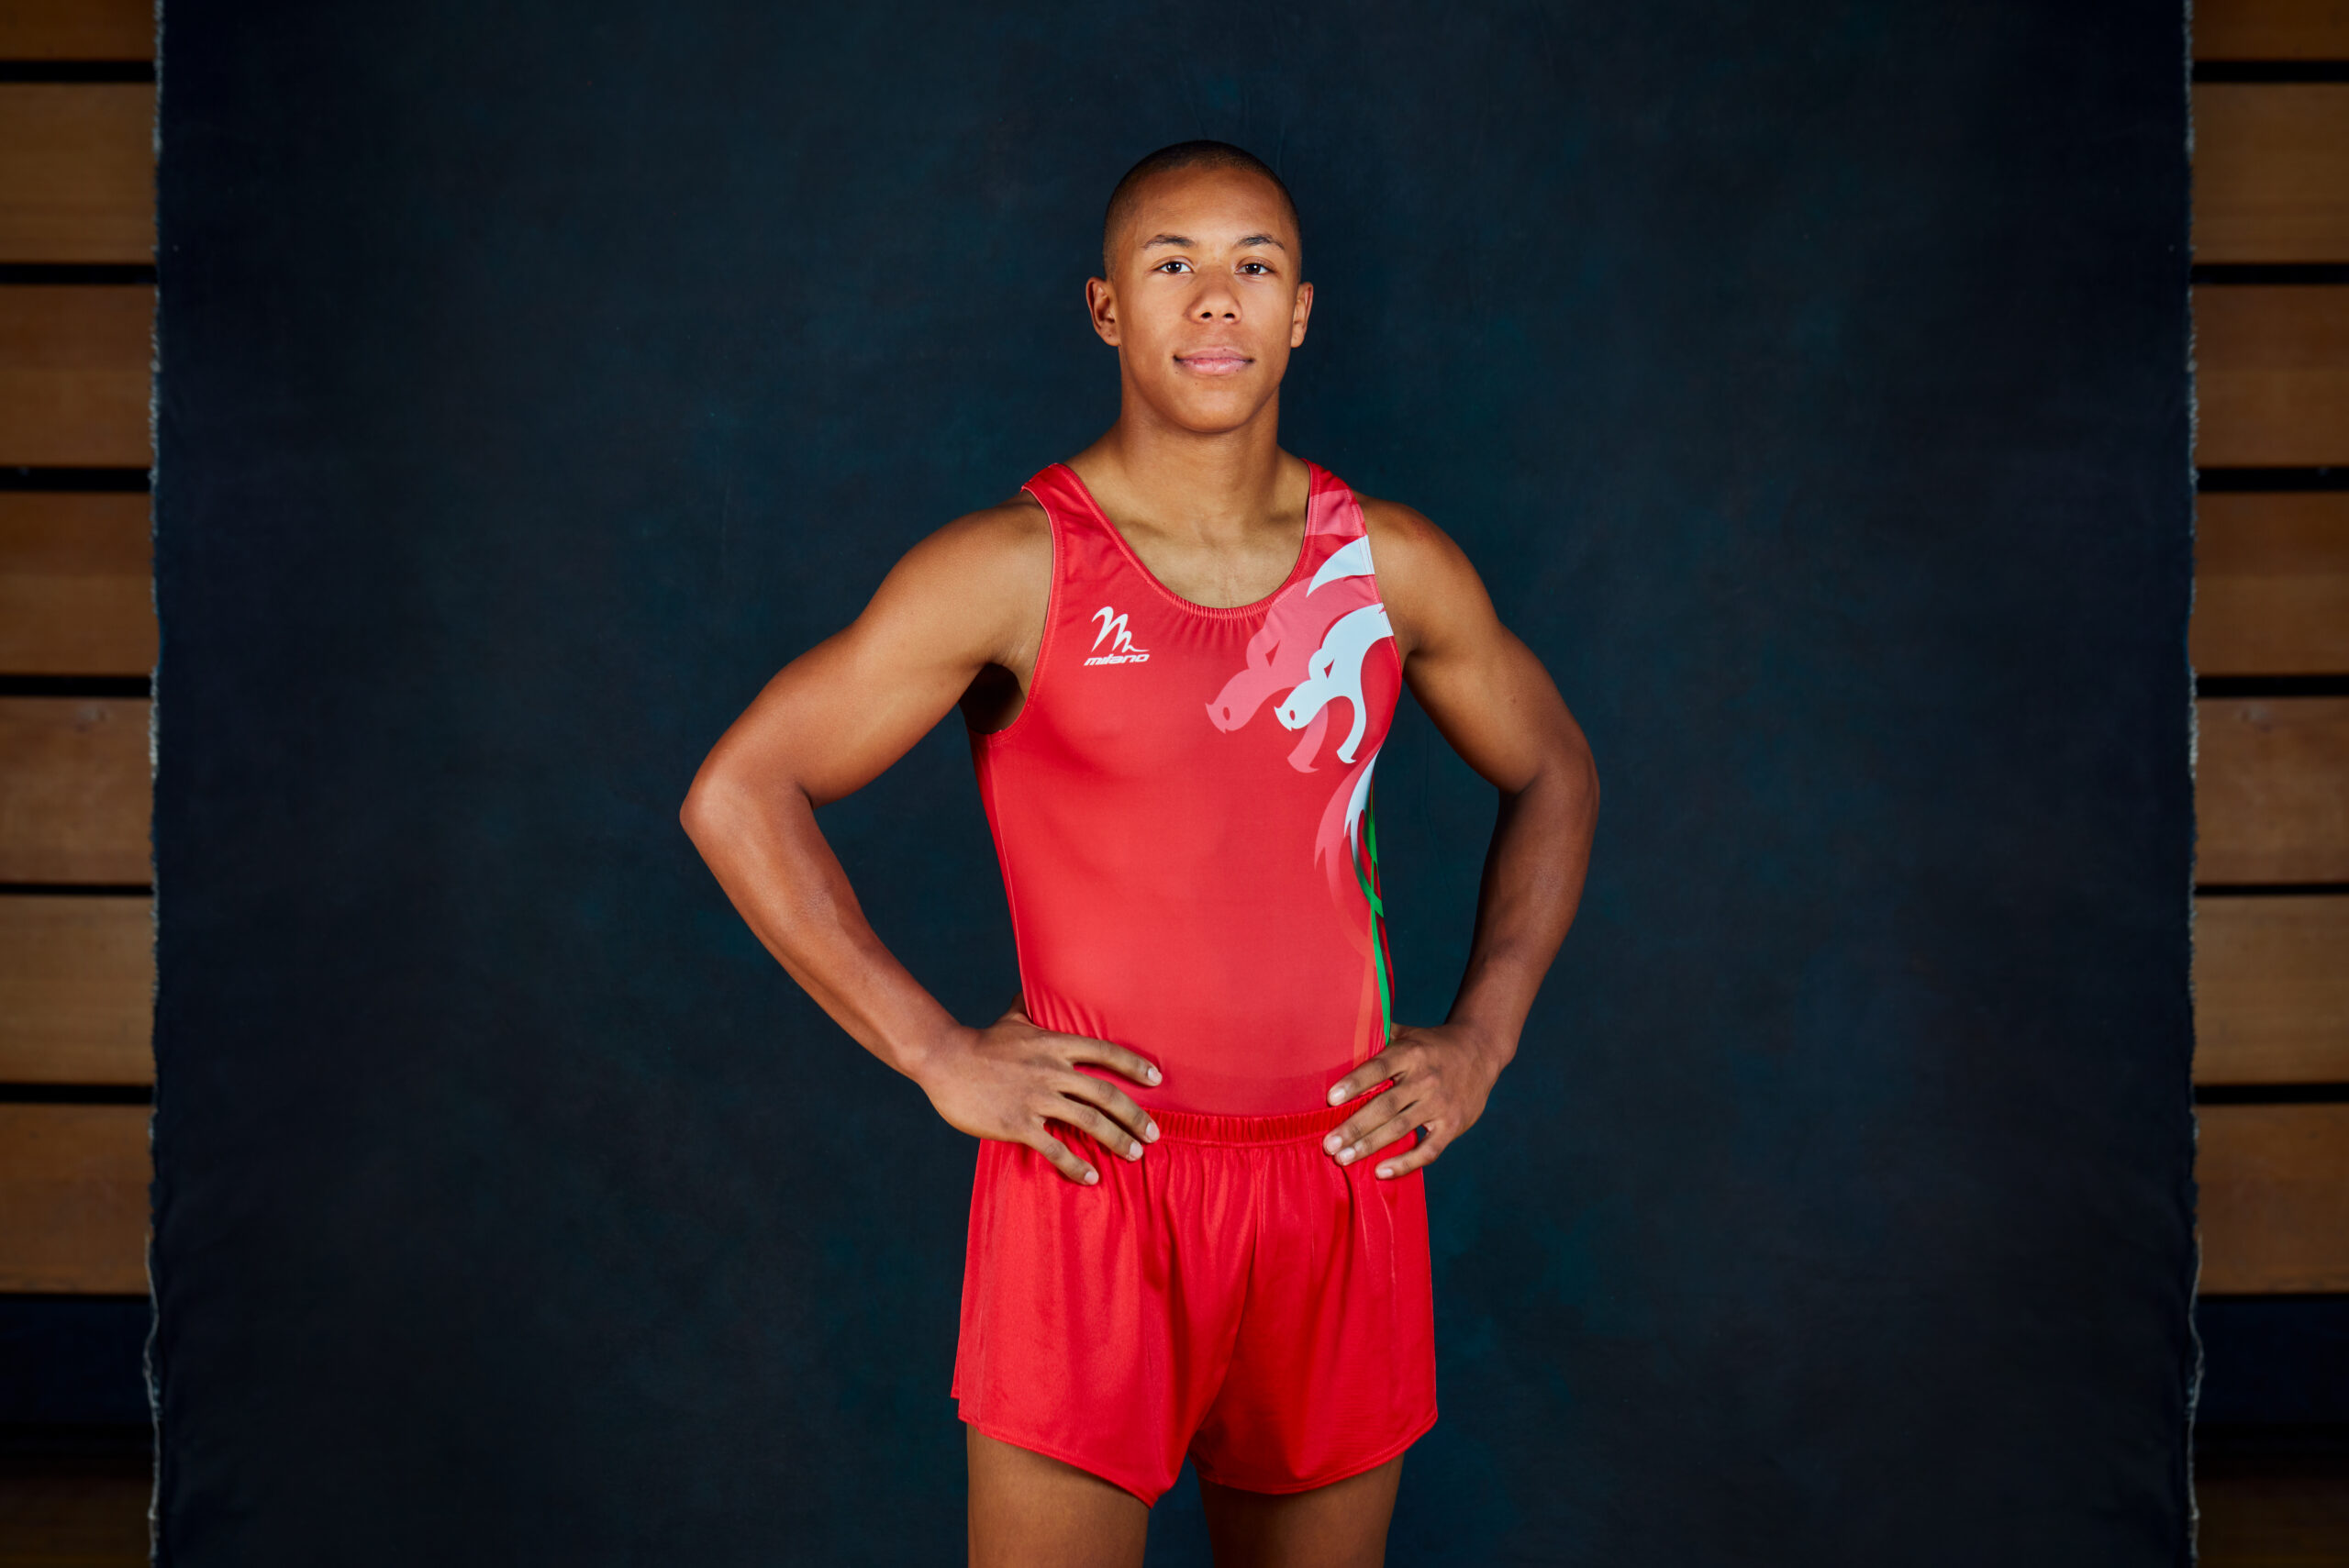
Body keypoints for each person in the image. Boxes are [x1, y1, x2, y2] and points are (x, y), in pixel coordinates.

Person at [681, 140, 1599, 1568]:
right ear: (1108, 307)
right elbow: (739, 790)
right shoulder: (1011, 566)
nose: (1216, 301)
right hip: (1097, 1184)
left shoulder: (1391, 566)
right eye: (1173, 266)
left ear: (1303, 311)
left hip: (1340, 1178)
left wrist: (1484, 1036)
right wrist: (936, 1050)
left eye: (1255, 267)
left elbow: (1554, 766)